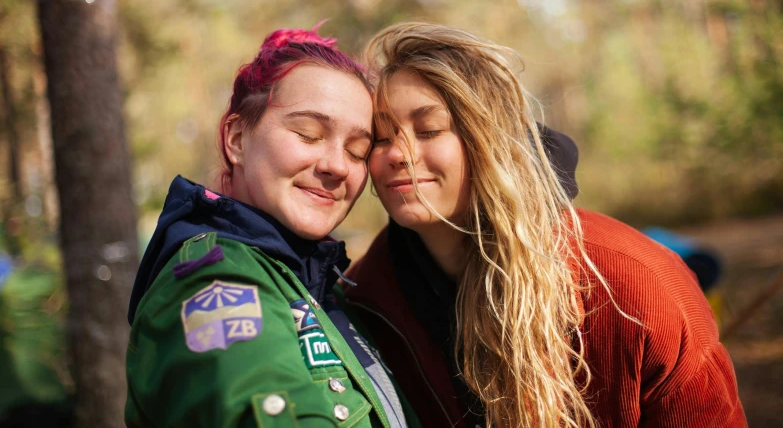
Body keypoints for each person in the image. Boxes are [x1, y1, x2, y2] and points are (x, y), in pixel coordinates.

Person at [344, 22, 748, 428]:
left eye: (429, 129)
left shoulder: (631, 281)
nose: (397, 153)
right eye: (380, 136)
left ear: (490, 139)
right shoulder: (367, 298)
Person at [125, 26, 417, 428]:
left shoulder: (325, 292)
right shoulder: (215, 278)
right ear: (237, 138)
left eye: (357, 151)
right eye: (307, 134)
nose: (336, 165)